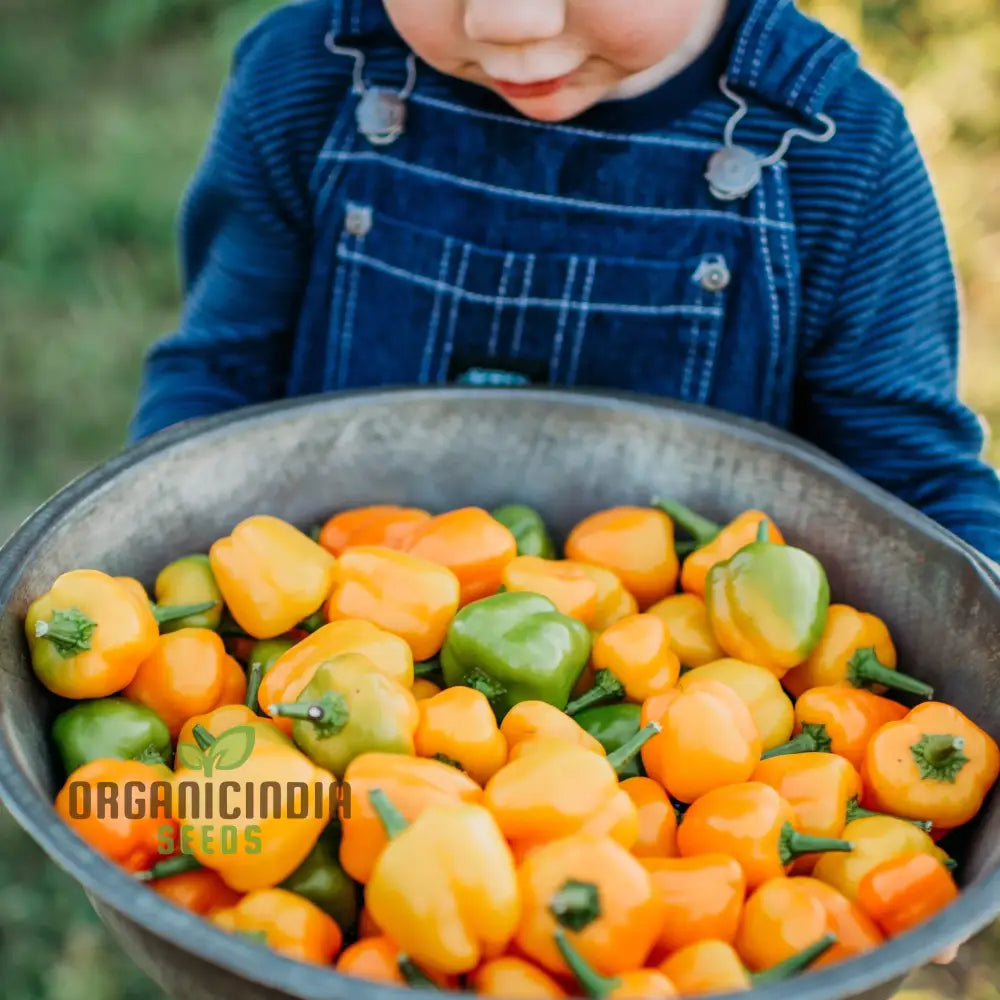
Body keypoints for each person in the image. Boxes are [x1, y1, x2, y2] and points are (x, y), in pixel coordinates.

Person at [128, 0, 1000, 565]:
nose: (510, 19)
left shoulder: (834, 151)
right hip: (314, 680)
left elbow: (908, 490)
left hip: (692, 741)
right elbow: (217, 387)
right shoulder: (308, 80)